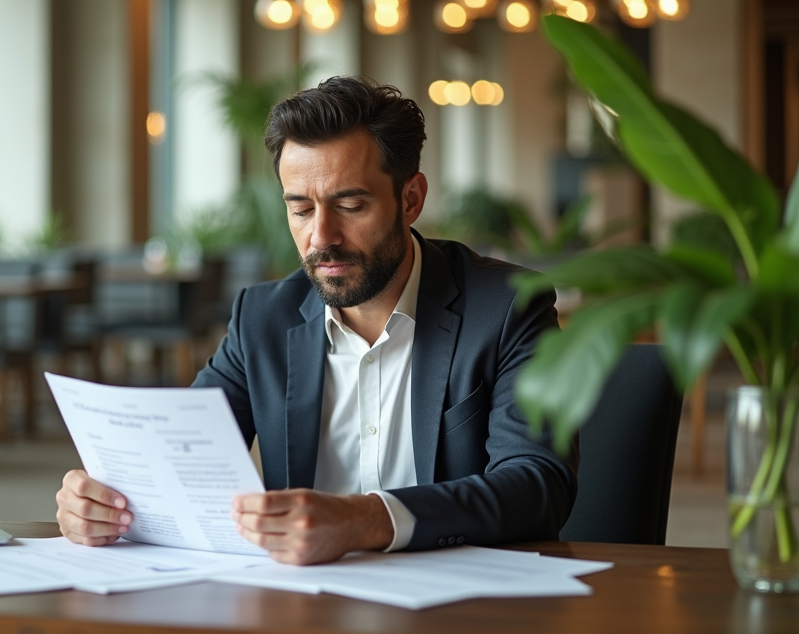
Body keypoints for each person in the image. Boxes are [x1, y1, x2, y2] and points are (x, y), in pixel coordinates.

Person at [56, 76, 577, 565]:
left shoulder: (507, 307)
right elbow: (178, 459)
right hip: (300, 602)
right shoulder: (262, 318)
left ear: (411, 199)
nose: (321, 237)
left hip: (463, 605)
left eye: (350, 205)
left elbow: (537, 484)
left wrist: (367, 519)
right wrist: (102, 502)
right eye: (301, 209)